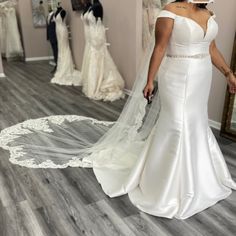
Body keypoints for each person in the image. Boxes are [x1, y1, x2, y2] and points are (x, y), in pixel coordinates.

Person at [0, 0, 235, 220]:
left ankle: (201, 176)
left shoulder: (207, 13)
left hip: (201, 76)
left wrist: (228, 73)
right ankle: (168, 183)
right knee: (177, 123)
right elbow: (160, 48)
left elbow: (211, 47)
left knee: (196, 122)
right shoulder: (170, 11)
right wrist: (150, 80)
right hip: (177, 76)